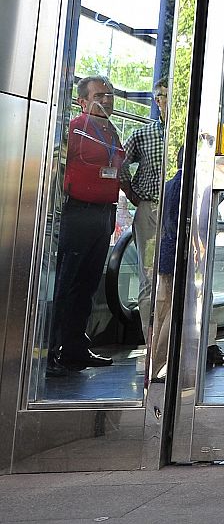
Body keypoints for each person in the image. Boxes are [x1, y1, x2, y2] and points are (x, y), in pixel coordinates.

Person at [48, 75, 125, 377]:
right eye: (99, 96)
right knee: (68, 284)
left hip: (104, 214)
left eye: (109, 95)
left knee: (88, 285)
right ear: (82, 100)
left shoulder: (111, 130)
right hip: (79, 213)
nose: (106, 100)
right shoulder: (75, 127)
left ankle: (76, 348)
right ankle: (53, 351)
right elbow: (57, 167)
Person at [121, 83, 167, 375]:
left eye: (169, 95)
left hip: (182, 213)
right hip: (150, 209)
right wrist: (133, 197)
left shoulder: (196, 134)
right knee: (150, 278)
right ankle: (153, 347)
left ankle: (178, 345)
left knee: (188, 278)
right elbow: (119, 163)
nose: (164, 101)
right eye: (160, 96)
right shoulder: (144, 134)